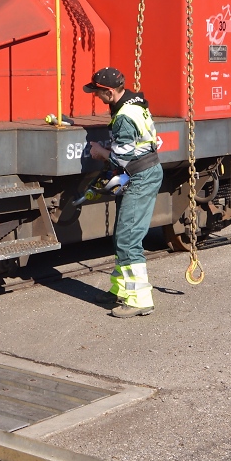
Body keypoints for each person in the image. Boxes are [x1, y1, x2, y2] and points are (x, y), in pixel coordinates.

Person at [83, 66, 164, 318]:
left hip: (140, 175)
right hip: (144, 172)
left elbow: (122, 159)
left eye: (98, 93)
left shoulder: (124, 116)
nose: (96, 96)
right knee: (123, 236)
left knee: (128, 239)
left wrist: (100, 152)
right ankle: (120, 290)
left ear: (108, 91)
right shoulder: (133, 104)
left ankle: (139, 299)